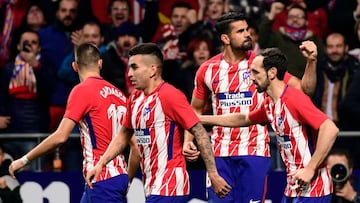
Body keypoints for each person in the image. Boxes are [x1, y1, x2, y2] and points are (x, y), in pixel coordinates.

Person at [183, 12, 318, 203]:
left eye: (247, 29)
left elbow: (305, 91)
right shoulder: (207, 69)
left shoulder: (262, 64)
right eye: (241, 31)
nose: (248, 34)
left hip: (255, 151)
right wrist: (188, 139)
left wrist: (311, 62)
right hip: (219, 155)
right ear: (225, 38)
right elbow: (195, 109)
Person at [85, 43, 231, 202]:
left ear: (153, 69)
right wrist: (101, 164)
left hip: (171, 187)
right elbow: (123, 136)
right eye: (129, 68)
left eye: (134, 67)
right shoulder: (134, 98)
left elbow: (199, 131)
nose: (129, 74)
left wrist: (213, 174)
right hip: (152, 186)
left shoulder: (170, 96)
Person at [199, 47, 339, 202]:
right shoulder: (269, 104)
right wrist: (201, 119)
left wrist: (310, 168)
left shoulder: (294, 99)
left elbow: (330, 128)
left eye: (256, 72)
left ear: (272, 73)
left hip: (314, 189)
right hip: (294, 186)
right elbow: (243, 118)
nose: (251, 79)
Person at [8, 43, 139, 203]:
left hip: (101, 179)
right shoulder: (120, 95)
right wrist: (128, 179)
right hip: (113, 178)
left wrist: (23, 160)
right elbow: (136, 147)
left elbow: (61, 136)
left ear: (74, 66)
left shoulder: (82, 90)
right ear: (100, 63)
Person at [312, 32, 360, 126]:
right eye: (330, 47)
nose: (334, 50)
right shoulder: (316, 68)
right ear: (325, 49)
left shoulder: (354, 70)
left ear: (346, 48)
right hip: (318, 126)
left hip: (348, 128)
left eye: (338, 46)